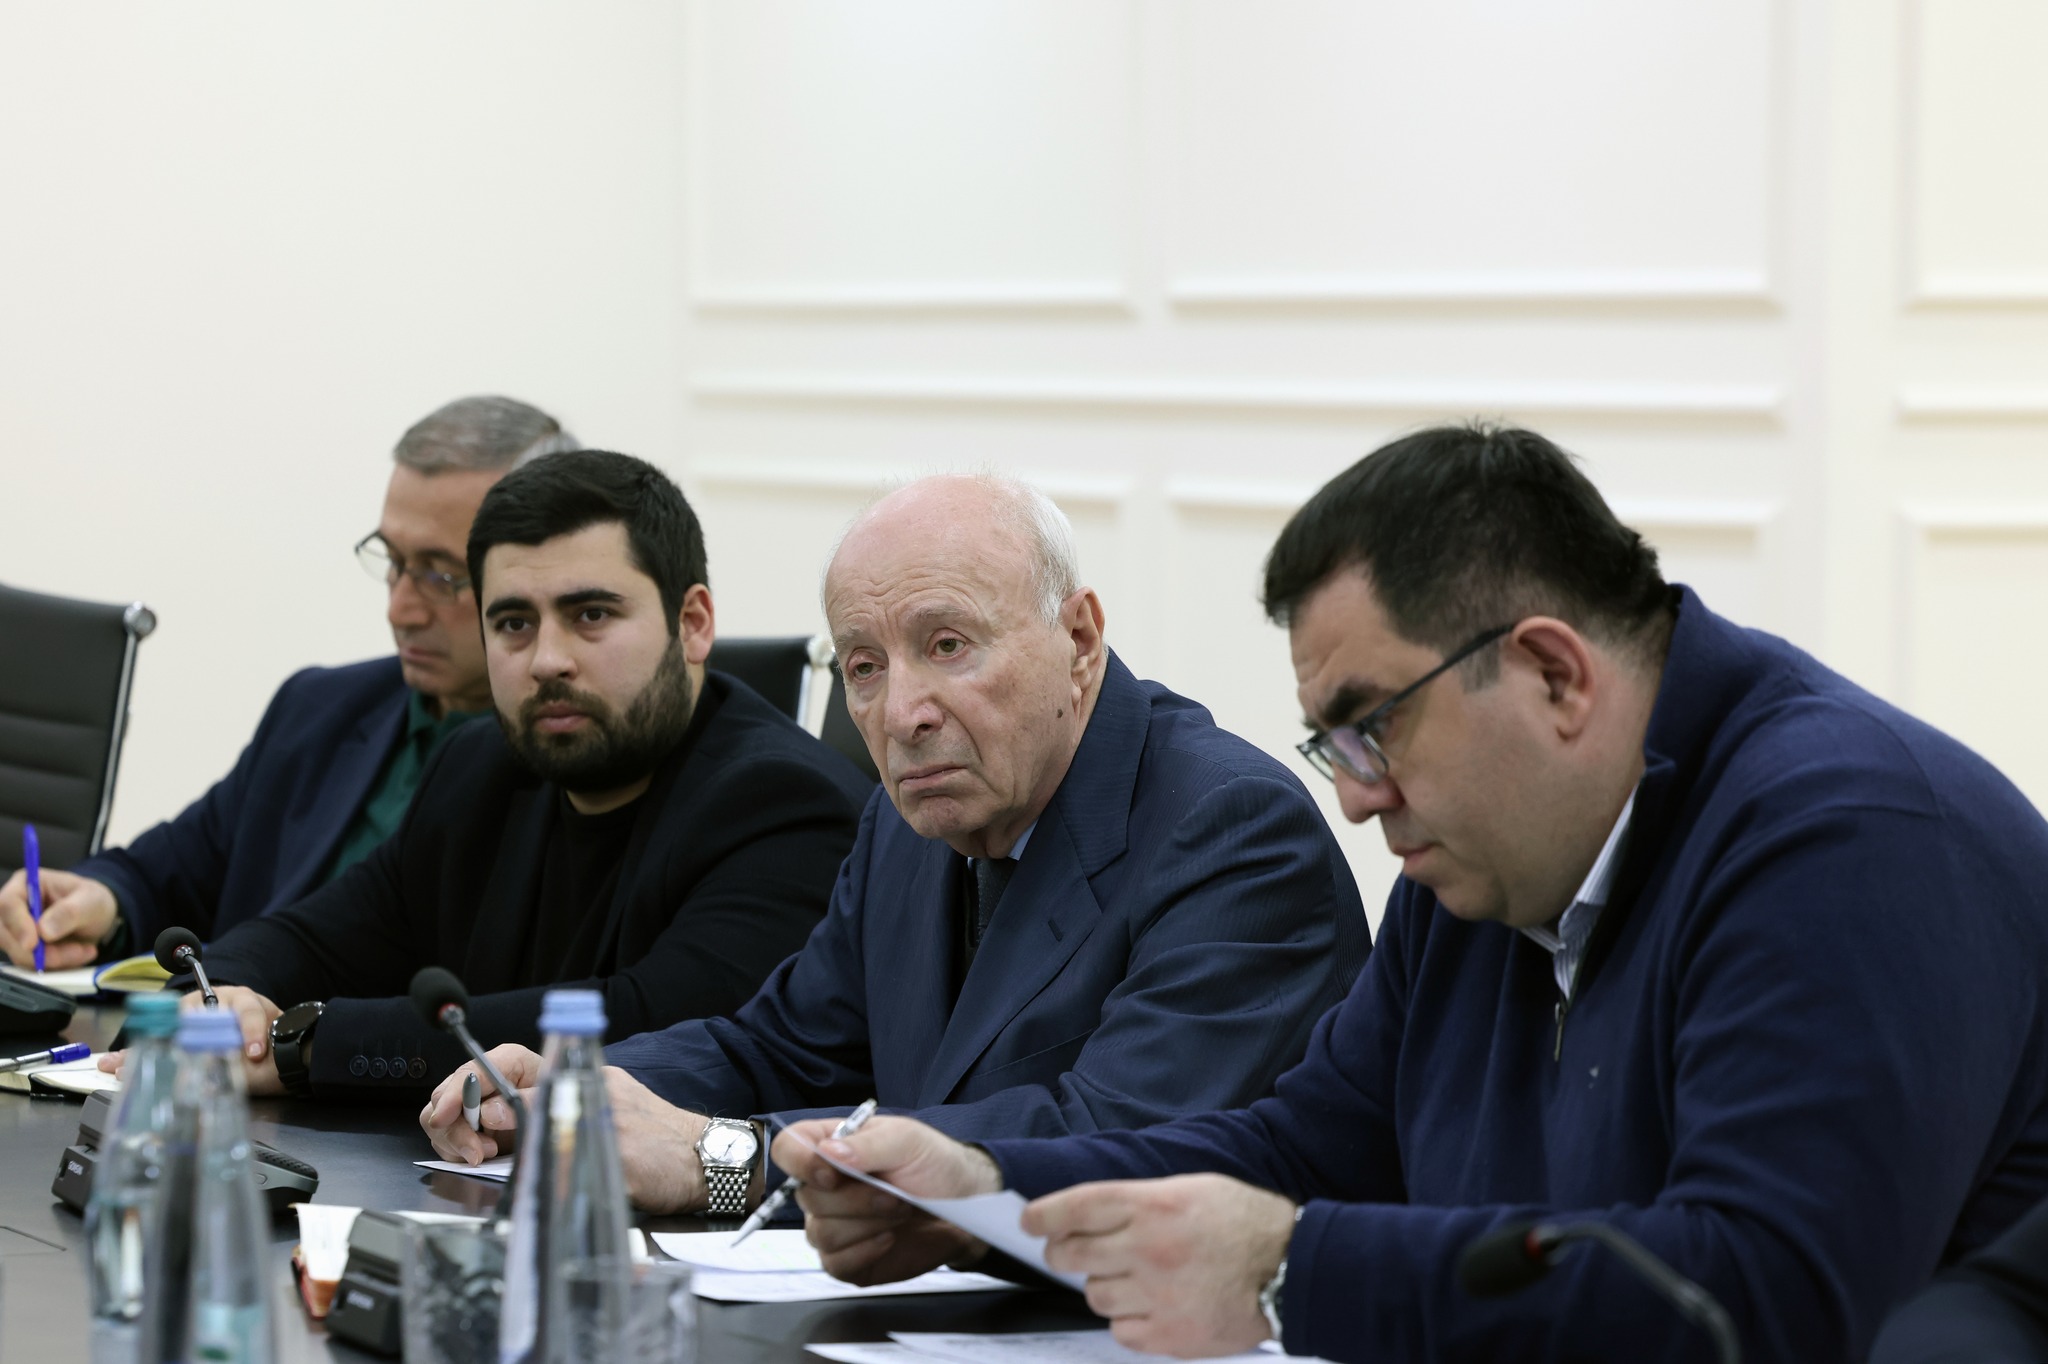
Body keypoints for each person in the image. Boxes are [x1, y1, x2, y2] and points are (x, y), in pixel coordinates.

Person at [775, 426, 2048, 1364]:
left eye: (1371, 725)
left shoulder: (1848, 838)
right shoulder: (1491, 857)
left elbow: (1761, 1299)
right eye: (1330, 743)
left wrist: (1291, 1268)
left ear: (1552, 674)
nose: (1353, 796)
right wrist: (979, 1189)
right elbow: (1300, 1144)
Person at [422, 473, 1369, 1218]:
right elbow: (781, 1047)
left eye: (948, 645)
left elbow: (1111, 1138)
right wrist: (577, 1092)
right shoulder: (911, 818)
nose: (901, 713)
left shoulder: (1230, 827)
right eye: (865, 666)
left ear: (1079, 639)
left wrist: (720, 1160)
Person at [114, 450, 871, 1099]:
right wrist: (210, 1002)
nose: (547, 660)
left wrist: (302, 1043)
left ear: (693, 623)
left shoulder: (785, 804)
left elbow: (646, 1018)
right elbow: (318, 936)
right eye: (514, 623)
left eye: (591, 615)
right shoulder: (478, 766)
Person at [0, 395, 581, 968]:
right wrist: (101, 901)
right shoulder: (321, 709)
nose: (399, 609)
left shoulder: (569, 760)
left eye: (440, 574)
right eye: (393, 561)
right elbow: (171, 868)